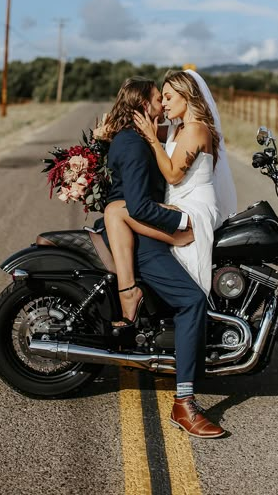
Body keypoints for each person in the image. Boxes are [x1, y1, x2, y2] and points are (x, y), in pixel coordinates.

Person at [96, 75, 225, 438]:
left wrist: (115, 136)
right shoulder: (147, 140)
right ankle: (184, 403)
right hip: (160, 226)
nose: (164, 105)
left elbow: (170, 157)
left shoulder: (166, 132)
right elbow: (141, 199)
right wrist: (178, 223)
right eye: (159, 99)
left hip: (172, 215)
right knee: (191, 300)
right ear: (144, 108)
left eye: (169, 97)